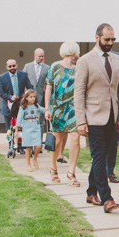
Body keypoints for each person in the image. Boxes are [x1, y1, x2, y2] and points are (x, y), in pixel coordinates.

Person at [73, 23, 119, 214]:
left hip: (112, 118)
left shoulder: (118, 60)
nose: (110, 43)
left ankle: (90, 192)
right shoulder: (85, 61)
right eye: (106, 39)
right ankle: (107, 198)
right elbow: (78, 93)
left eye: (113, 39)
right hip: (93, 117)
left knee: (103, 156)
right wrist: (80, 121)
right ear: (97, 38)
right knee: (99, 156)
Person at [44, 41, 81, 186]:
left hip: (73, 108)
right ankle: (53, 168)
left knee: (76, 139)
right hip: (57, 108)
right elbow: (48, 88)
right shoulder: (55, 66)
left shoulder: (77, 69)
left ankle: (71, 172)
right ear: (73, 51)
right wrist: (47, 108)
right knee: (57, 141)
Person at [0, 59, 33, 154]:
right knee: (9, 129)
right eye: (10, 66)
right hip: (8, 107)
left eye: (13, 66)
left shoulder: (23, 75)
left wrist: (28, 96)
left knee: (21, 127)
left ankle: (20, 146)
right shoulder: (2, 77)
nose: (12, 68)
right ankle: (11, 145)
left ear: (17, 65)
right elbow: (1, 92)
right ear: (6, 67)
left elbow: (30, 87)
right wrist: (10, 97)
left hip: (21, 107)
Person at [16, 89, 45, 172]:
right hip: (27, 129)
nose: (33, 99)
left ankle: (34, 158)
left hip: (36, 128)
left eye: (34, 97)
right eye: (31, 97)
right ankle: (28, 164)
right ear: (26, 98)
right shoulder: (23, 108)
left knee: (38, 146)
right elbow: (19, 117)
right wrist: (17, 128)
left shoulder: (36, 106)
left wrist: (49, 110)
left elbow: (43, 110)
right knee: (28, 148)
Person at [23, 48, 50, 137]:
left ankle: (39, 143)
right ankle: (30, 143)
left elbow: (49, 82)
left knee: (41, 121)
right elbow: (23, 81)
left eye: (43, 56)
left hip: (41, 98)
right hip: (29, 99)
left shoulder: (47, 68)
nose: (41, 58)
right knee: (29, 120)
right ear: (35, 56)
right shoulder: (27, 66)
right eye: (40, 56)